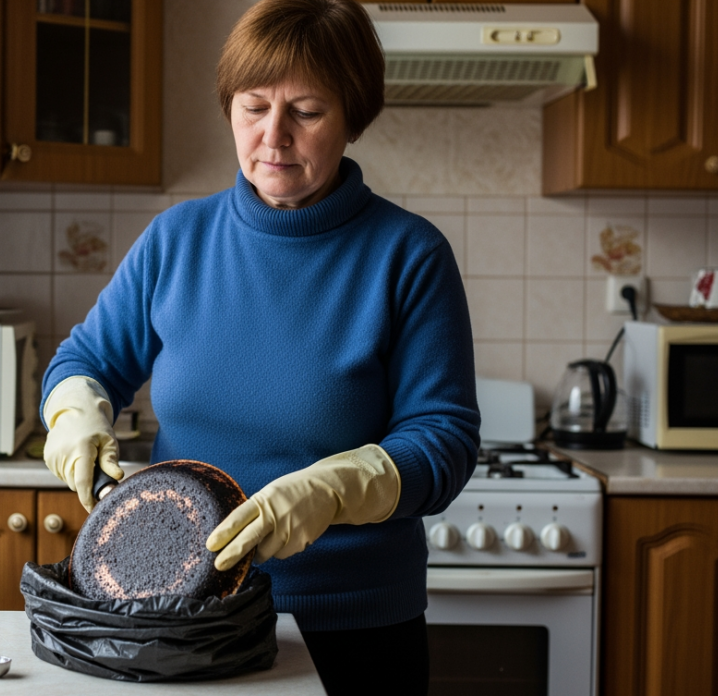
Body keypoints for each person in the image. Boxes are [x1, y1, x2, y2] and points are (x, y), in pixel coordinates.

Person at [39, 0, 479, 692]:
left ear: (353, 118)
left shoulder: (409, 255)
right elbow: (86, 362)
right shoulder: (176, 240)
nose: (273, 136)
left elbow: (444, 440)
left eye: (306, 111)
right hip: (184, 620)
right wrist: (75, 414)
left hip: (355, 628)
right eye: (253, 107)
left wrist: (331, 491)